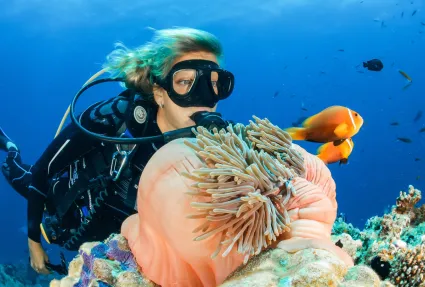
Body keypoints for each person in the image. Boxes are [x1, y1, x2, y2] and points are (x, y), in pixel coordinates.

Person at [0, 27, 235, 275]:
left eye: (215, 85)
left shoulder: (213, 145)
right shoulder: (110, 119)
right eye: (186, 82)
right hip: (60, 201)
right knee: (19, 175)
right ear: (159, 92)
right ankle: (10, 148)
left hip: (117, 234)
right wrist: (34, 243)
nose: (204, 98)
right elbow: (42, 171)